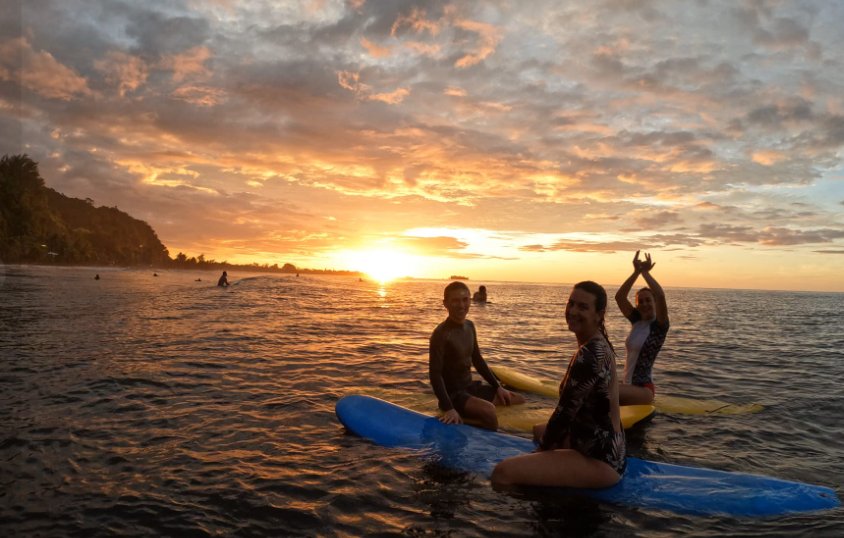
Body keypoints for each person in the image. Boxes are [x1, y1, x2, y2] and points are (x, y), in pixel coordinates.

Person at [491, 281, 626, 489]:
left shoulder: (589, 356)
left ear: (599, 314)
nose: (572, 311)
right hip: (602, 443)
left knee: (502, 472)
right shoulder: (598, 343)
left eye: (582, 307)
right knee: (537, 430)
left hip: (600, 459)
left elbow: (563, 414)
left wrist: (539, 454)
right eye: (570, 303)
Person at [429, 281, 525, 431]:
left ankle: (476, 423)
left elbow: (478, 360)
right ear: (445, 304)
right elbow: (435, 375)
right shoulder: (440, 334)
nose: (461, 305)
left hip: (470, 388)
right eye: (455, 300)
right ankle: (490, 447)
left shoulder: (469, 326)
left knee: (518, 399)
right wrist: (449, 408)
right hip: (454, 395)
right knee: (488, 410)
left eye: (465, 299)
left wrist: (498, 387)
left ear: (470, 300)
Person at [614, 251, 669, 406]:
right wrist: (636, 272)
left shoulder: (659, 326)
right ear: (637, 305)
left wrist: (645, 272)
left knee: (598, 389)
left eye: (648, 300)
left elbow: (661, 296)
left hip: (643, 390)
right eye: (641, 301)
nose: (645, 304)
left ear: (654, 302)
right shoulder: (636, 321)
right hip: (627, 385)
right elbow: (619, 297)